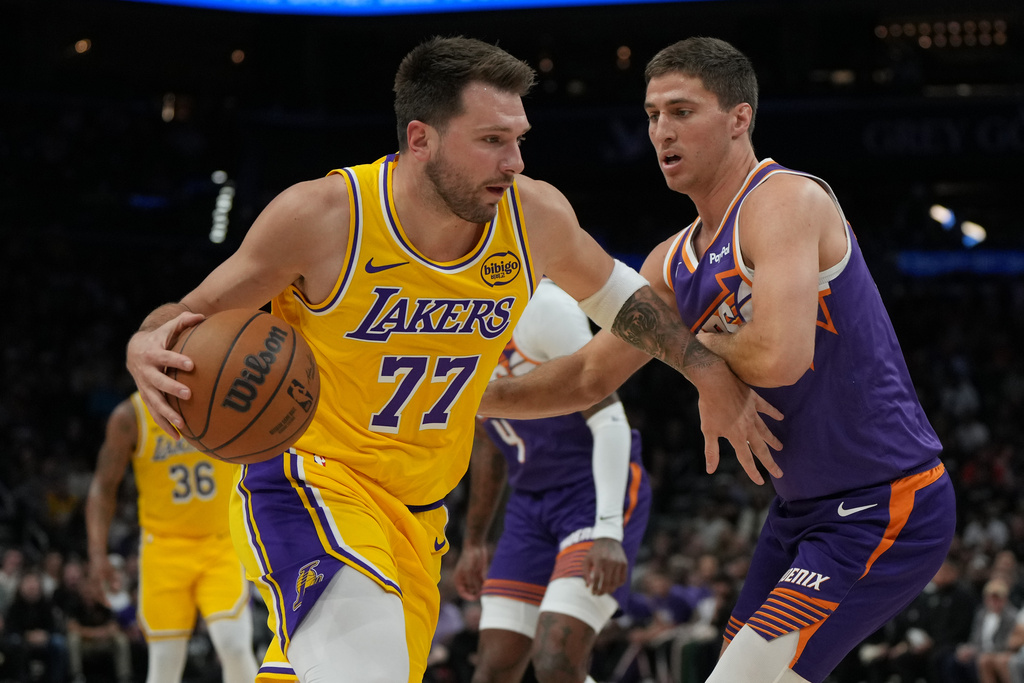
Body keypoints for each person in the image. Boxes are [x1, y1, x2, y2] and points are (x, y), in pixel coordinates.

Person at [124, 36, 781, 683]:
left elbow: (624, 302)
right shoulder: (325, 216)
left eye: (518, 139)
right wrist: (142, 344)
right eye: (492, 140)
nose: (514, 161)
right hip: (310, 482)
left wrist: (705, 371)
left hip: (419, 513)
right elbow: (186, 317)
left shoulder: (534, 218)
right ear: (421, 139)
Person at [478, 36, 956, 683]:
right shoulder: (669, 261)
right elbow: (589, 375)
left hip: (885, 503)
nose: (662, 131)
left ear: (739, 118)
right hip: (798, 515)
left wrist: (692, 358)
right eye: (652, 115)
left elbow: (780, 354)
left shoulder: (784, 201)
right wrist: (466, 395)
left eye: (682, 111)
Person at [453, 278, 652, 683]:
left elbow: (610, 417)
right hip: (529, 501)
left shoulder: (543, 307)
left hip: (590, 491)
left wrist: (608, 530)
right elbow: (488, 446)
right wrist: (473, 541)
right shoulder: (451, 326)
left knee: (555, 659)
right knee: (493, 665)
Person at [85, 393, 259, 683]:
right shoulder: (130, 416)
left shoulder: (221, 392)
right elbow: (103, 487)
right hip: (163, 549)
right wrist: (96, 555)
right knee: (164, 660)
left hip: (220, 542)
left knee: (235, 646)